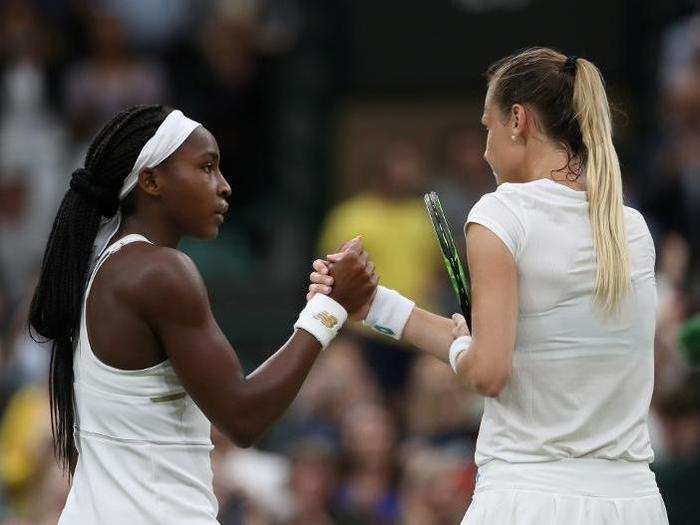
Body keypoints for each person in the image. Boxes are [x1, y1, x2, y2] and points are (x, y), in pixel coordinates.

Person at [309, 47, 669, 523]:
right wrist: (375, 304)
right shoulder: (633, 230)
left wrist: (464, 351)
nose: (484, 148)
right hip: (635, 505)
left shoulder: (500, 213)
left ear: (518, 120)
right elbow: (502, 352)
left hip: (528, 499)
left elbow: (487, 372)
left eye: (487, 126)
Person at [27, 104, 377, 524]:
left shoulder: (117, 265)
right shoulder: (161, 272)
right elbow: (243, 417)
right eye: (207, 167)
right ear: (151, 181)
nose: (224, 186)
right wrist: (328, 310)